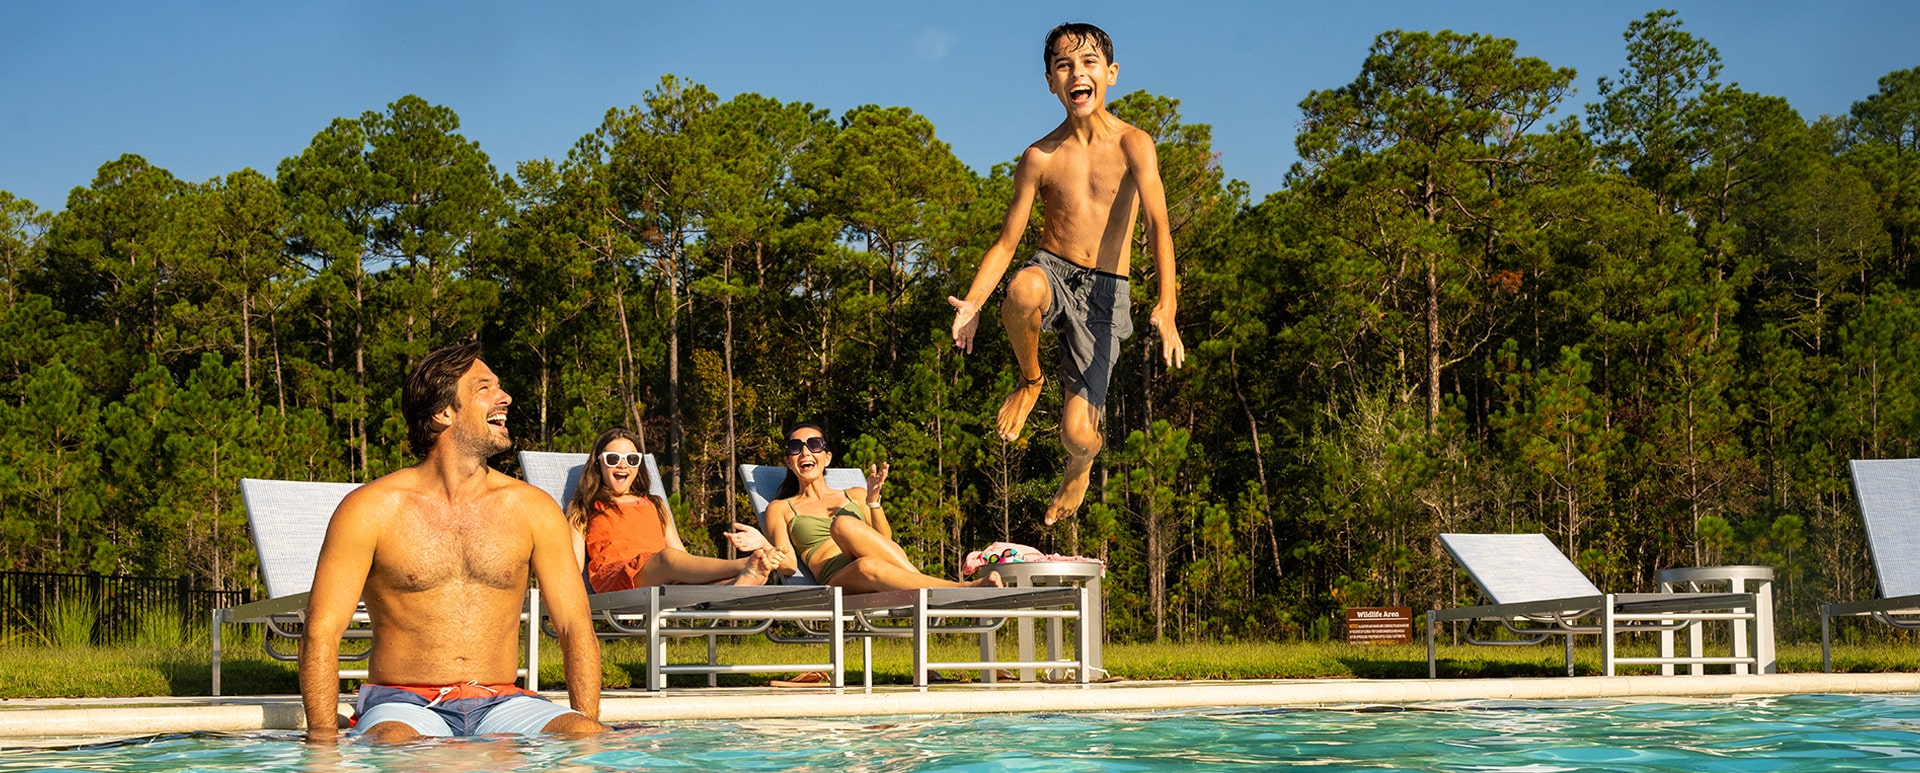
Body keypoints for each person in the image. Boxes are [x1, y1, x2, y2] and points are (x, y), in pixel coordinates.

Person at [299, 342, 606, 742]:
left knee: (584, 732)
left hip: (502, 701)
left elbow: (573, 624)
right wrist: (322, 742)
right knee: (393, 741)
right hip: (403, 705)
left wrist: (589, 732)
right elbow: (321, 631)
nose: (505, 397)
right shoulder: (370, 509)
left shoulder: (532, 509)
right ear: (444, 412)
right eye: (485, 388)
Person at [949, 22, 1187, 525]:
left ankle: (1081, 464)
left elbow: (1159, 226)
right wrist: (972, 303)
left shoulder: (1133, 145)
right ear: (1051, 82)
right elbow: (1007, 243)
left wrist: (1167, 304)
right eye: (1064, 65)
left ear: (1111, 74)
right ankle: (1030, 379)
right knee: (1022, 287)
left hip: (1106, 293)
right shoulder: (1039, 157)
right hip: (1052, 271)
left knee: (1077, 433)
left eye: (1088, 62)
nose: (1077, 73)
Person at [763, 423, 1000, 593]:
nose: (805, 451)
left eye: (814, 445)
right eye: (796, 447)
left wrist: (873, 501)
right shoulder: (781, 508)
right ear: (788, 461)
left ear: (827, 457)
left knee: (847, 530)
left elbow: (885, 541)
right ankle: (962, 588)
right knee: (854, 547)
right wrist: (766, 549)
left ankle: (930, 586)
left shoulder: (856, 494)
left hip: (874, 565)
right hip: (838, 578)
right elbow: (789, 565)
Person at [569, 427, 785, 592]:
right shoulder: (584, 507)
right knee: (667, 559)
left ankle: (740, 581)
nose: (623, 465)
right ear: (598, 464)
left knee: (678, 566)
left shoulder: (654, 504)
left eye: (632, 459)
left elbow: (681, 556)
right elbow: (573, 566)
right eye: (613, 459)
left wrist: (691, 572)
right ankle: (742, 565)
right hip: (619, 579)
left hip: (662, 575)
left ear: (638, 466)